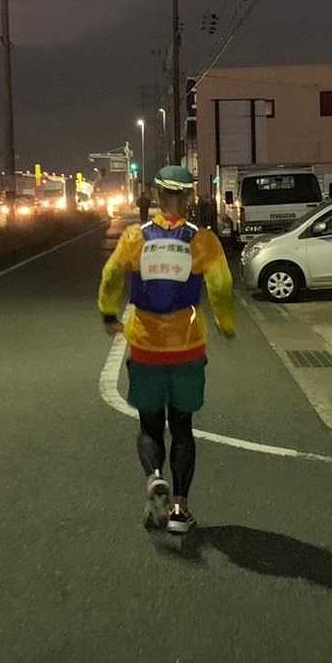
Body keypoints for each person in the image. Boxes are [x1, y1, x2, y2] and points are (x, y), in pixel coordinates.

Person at [97, 165, 235, 534]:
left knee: (150, 426)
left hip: (146, 347)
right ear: (189, 198)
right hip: (187, 347)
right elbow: (221, 286)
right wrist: (225, 323)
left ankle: (154, 475)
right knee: (183, 428)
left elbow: (111, 275)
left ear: (157, 197)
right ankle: (179, 510)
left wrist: (108, 312)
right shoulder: (202, 241)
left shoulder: (135, 237)